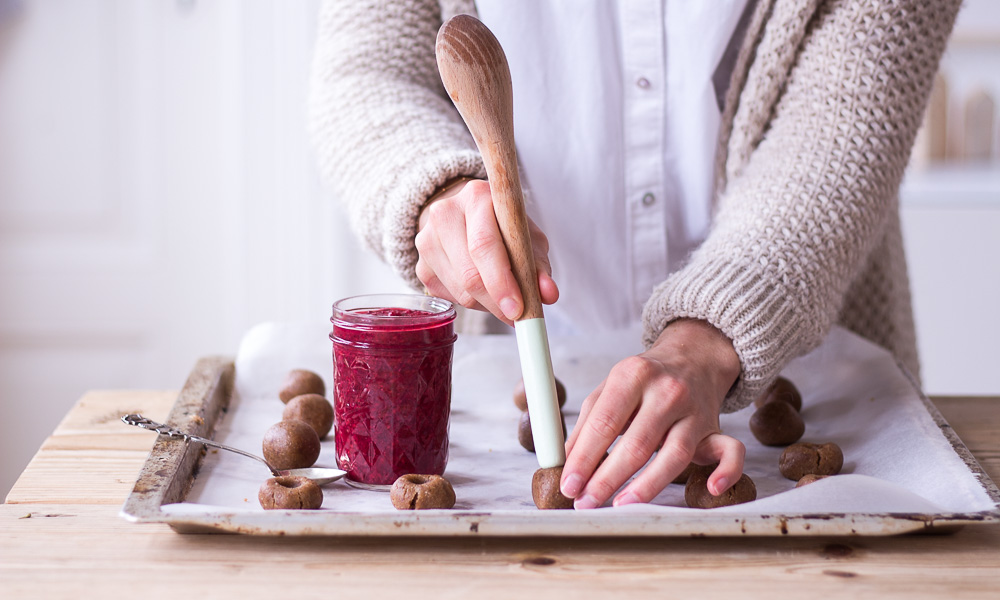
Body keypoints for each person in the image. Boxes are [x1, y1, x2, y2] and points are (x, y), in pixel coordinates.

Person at [308, 0, 961, 509]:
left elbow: (843, 125)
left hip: (801, 373)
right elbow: (367, 70)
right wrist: (435, 191)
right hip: (497, 379)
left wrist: (710, 336)